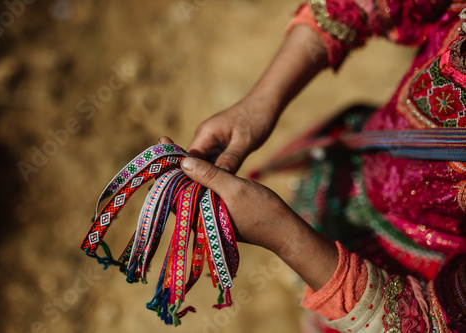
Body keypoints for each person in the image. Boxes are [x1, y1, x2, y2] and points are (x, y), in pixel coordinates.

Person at [163, 0, 466, 331]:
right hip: (354, 174)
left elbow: (435, 324)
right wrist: (259, 103)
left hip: (402, 278)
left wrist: (285, 236)